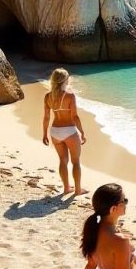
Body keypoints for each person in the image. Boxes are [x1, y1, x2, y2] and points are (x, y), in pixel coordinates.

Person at [42, 68, 87, 196]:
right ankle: (78, 190)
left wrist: (44, 133)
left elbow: (46, 117)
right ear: (65, 80)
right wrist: (82, 132)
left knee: (63, 160)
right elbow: (75, 117)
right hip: (70, 131)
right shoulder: (69, 96)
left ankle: (66, 188)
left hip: (55, 131)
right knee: (75, 162)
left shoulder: (48, 96)